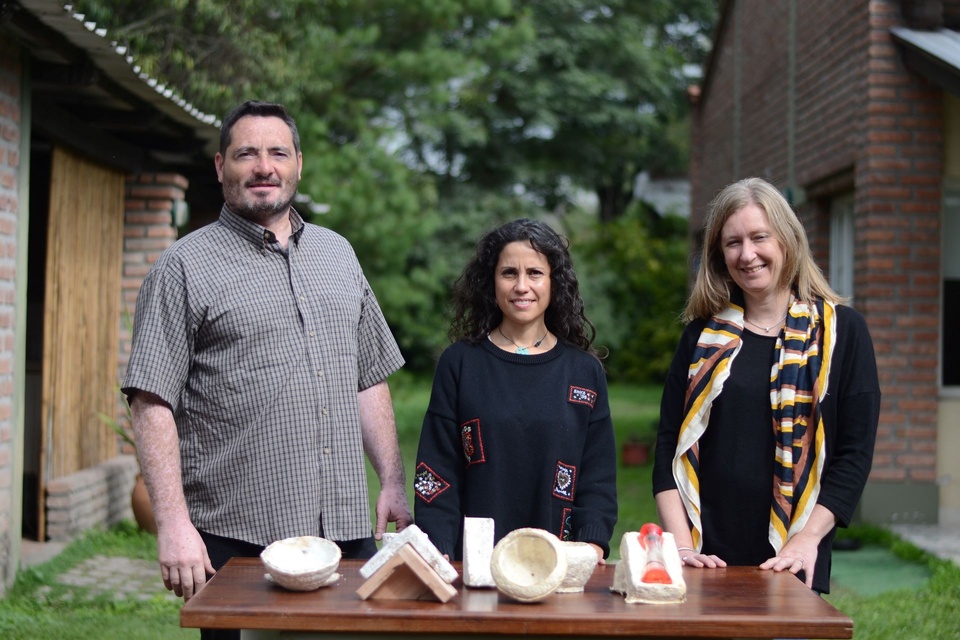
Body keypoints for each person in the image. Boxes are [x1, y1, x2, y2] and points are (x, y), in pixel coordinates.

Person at [122, 101, 412, 621]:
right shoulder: (183, 267)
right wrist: (173, 524)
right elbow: (150, 402)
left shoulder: (337, 254)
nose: (264, 166)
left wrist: (391, 480)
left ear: (298, 163)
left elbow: (368, 377)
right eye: (246, 154)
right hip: (237, 537)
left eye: (278, 152)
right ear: (220, 167)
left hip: (345, 530)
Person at [652, 177, 880, 593]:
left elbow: (854, 454)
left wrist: (808, 540)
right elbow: (669, 446)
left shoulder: (842, 334)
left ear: (788, 241)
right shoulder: (701, 337)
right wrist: (682, 549)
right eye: (733, 243)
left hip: (791, 554)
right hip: (704, 555)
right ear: (720, 255)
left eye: (760, 237)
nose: (747, 254)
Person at [414, 219, 617, 563]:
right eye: (509, 273)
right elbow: (435, 472)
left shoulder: (583, 372)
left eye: (535, 273)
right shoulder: (460, 363)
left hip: (558, 562)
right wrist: (440, 551)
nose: (522, 286)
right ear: (490, 282)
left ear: (555, 283)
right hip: (474, 564)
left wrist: (591, 543)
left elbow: (598, 475)